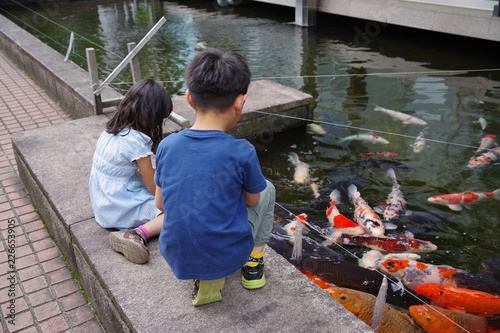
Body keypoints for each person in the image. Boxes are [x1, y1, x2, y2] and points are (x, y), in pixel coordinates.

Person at [154, 48, 276, 306]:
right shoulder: (242, 150)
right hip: (228, 256)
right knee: (268, 189)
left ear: (189, 98)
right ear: (241, 102)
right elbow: (253, 201)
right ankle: (253, 263)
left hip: (176, 255)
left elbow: (160, 204)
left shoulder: (167, 145)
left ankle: (202, 276)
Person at [89, 78, 173, 264]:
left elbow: (127, 170)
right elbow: (153, 188)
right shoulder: (136, 143)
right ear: (150, 113)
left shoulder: (111, 131)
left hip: (102, 203)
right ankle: (136, 235)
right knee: (175, 211)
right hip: (119, 205)